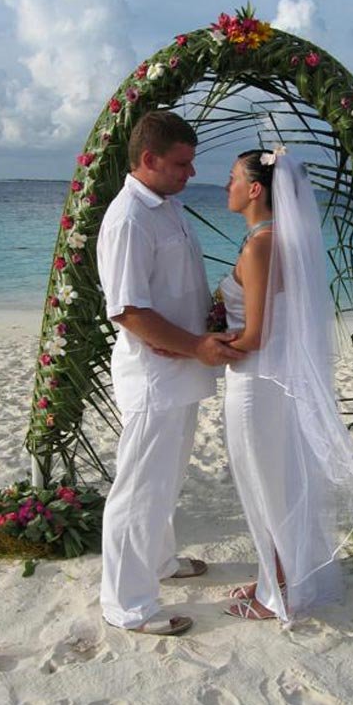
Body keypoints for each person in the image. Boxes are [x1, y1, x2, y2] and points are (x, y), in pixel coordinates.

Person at [96, 110, 244, 636]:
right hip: (154, 375)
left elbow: (175, 287)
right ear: (148, 159)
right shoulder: (129, 218)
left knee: (165, 479)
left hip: (180, 368)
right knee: (139, 488)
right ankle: (127, 604)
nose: (192, 172)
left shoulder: (168, 207)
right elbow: (128, 310)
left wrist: (211, 323)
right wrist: (197, 346)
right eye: (182, 164)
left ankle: (159, 561)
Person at [220, 147, 353, 621]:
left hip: (256, 381)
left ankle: (278, 593)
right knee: (275, 481)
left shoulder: (261, 245)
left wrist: (205, 344)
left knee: (268, 487)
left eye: (233, 177)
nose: (227, 186)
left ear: (255, 189)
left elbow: (255, 335)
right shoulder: (279, 240)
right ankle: (275, 575)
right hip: (273, 379)